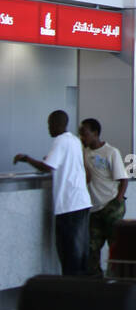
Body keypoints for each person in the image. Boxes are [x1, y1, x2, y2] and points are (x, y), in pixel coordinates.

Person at [14, 111, 91, 275]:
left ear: (57, 124)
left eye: (49, 124)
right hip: (81, 202)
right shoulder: (74, 140)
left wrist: (26, 158)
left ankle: (71, 291)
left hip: (68, 205)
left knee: (69, 253)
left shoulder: (60, 141)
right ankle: (82, 289)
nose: (48, 128)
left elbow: (47, 167)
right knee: (80, 252)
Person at [79, 118, 128, 276]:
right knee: (92, 247)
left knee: (114, 246)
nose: (82, 137)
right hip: (94, 208)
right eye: (80, 134)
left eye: (85, 134)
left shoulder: (111, 152)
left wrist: (118, 200)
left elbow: (123, 179)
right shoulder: (84, 152)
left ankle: (116, 278)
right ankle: (96, 280)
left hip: (111, 205)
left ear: (95, 133)